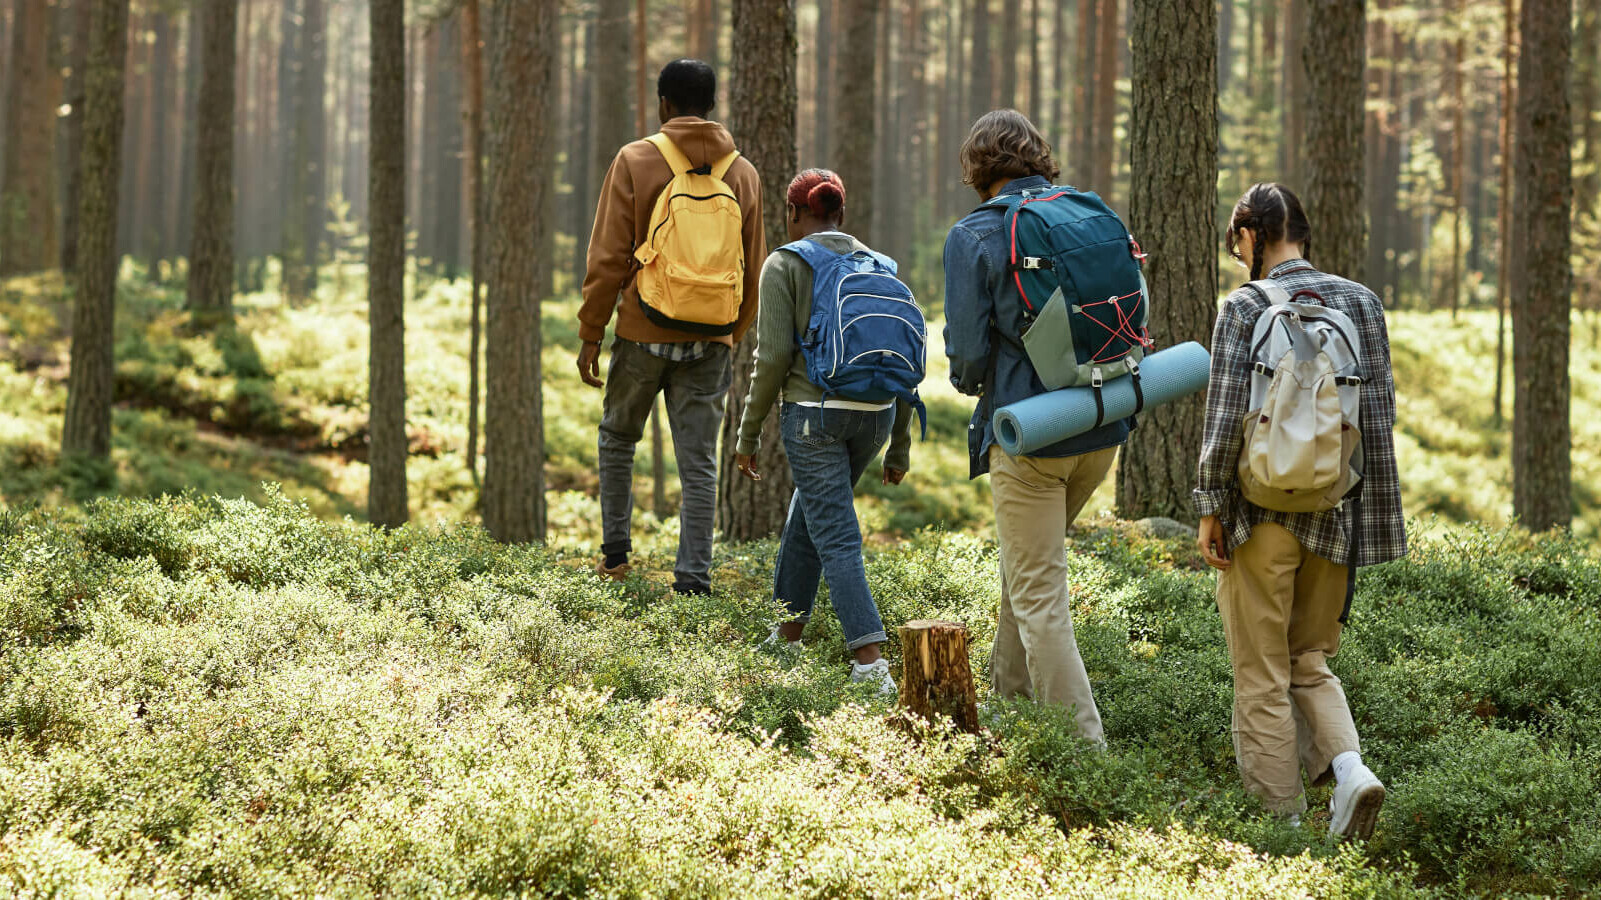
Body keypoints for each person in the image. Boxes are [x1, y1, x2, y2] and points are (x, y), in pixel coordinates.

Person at [1194, 183, 1407, 839]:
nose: (1237, 258)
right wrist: (1365, 515)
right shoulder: (1360, 302)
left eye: (1237, 244)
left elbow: (1227, 415)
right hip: (1334, 514)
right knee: (1307, 662)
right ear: (1302, 232)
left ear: (1252, 237)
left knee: (1259, 673)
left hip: (1259, 516)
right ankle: (1348, 773)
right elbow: (1378, 418)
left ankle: (1278, 829)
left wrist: (1209, 505)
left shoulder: (1243, 306)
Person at [942, 110, 1130, 741]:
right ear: (1037, 156)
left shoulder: (975, 236)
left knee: (1040, 599)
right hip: (1101, 425)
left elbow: (967, 356)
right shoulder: (1085, 210)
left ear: (977, 169)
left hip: (1029, 436)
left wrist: (974, 383)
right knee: (1023, 577)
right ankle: (1009, 703)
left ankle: (1085, 753)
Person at [576, 59, 765, 596]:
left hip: (641, 330)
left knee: (617, 438)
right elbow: (755, 265)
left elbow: (609, 255)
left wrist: (592, 331)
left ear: (664, 103)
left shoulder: (636, 159)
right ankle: (694, 580)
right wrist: (728, 330)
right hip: (711, 340)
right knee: (700, 463)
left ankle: (615, 559)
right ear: (710, 104)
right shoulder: (743, 173)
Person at [732, 169, 914, 697]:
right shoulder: (882, 266)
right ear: (841, 213)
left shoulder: (784, 263)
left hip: (815, 416)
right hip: (875, 416)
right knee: (810, 513)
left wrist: (747, 436)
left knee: (834, 530)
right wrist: (898, 443)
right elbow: (901, 363)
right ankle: (787, 633)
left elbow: (771, 362)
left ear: (794, 213)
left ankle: (871, 662)